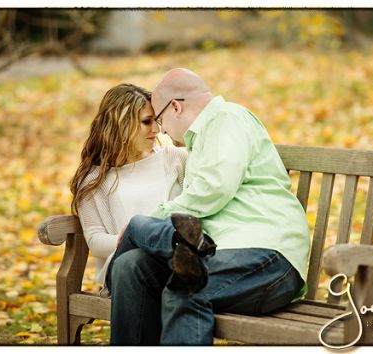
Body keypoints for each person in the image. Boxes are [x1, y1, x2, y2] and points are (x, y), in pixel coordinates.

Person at [108, 68, 310, 345]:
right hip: (218, 255)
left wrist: (148, 220)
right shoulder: (200, 141)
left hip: (268, 258)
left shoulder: (228, 119)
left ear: (176, 106)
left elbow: (213, 189)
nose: (162, 130)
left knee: (185, 285)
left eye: (160, 119)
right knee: (131, 266)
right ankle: (162, 239)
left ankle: (159, 234)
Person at [69, 83, 187, 293]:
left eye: (156, 121)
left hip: (180, 262)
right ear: (121, 125)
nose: (157, 130)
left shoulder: (175, 159)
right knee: (140, 256)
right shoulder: (94, 179)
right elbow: (95, 240)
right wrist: (131, 238)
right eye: (146, 122)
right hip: (127, 269)